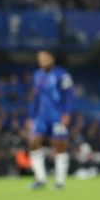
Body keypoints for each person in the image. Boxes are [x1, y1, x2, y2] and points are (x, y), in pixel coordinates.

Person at [27, 50, 75, 189]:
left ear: (52, 58)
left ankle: (60, 181)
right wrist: (31, 116)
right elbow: (35, 97)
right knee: (34, 142)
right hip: (41, 116)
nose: (42, 61)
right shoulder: (37, 75)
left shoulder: (62, 75)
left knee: (59, 144)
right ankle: (40, 179)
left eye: (45, 58)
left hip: (57, 115)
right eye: (40, 58)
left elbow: (70, 96)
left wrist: (67, 113)